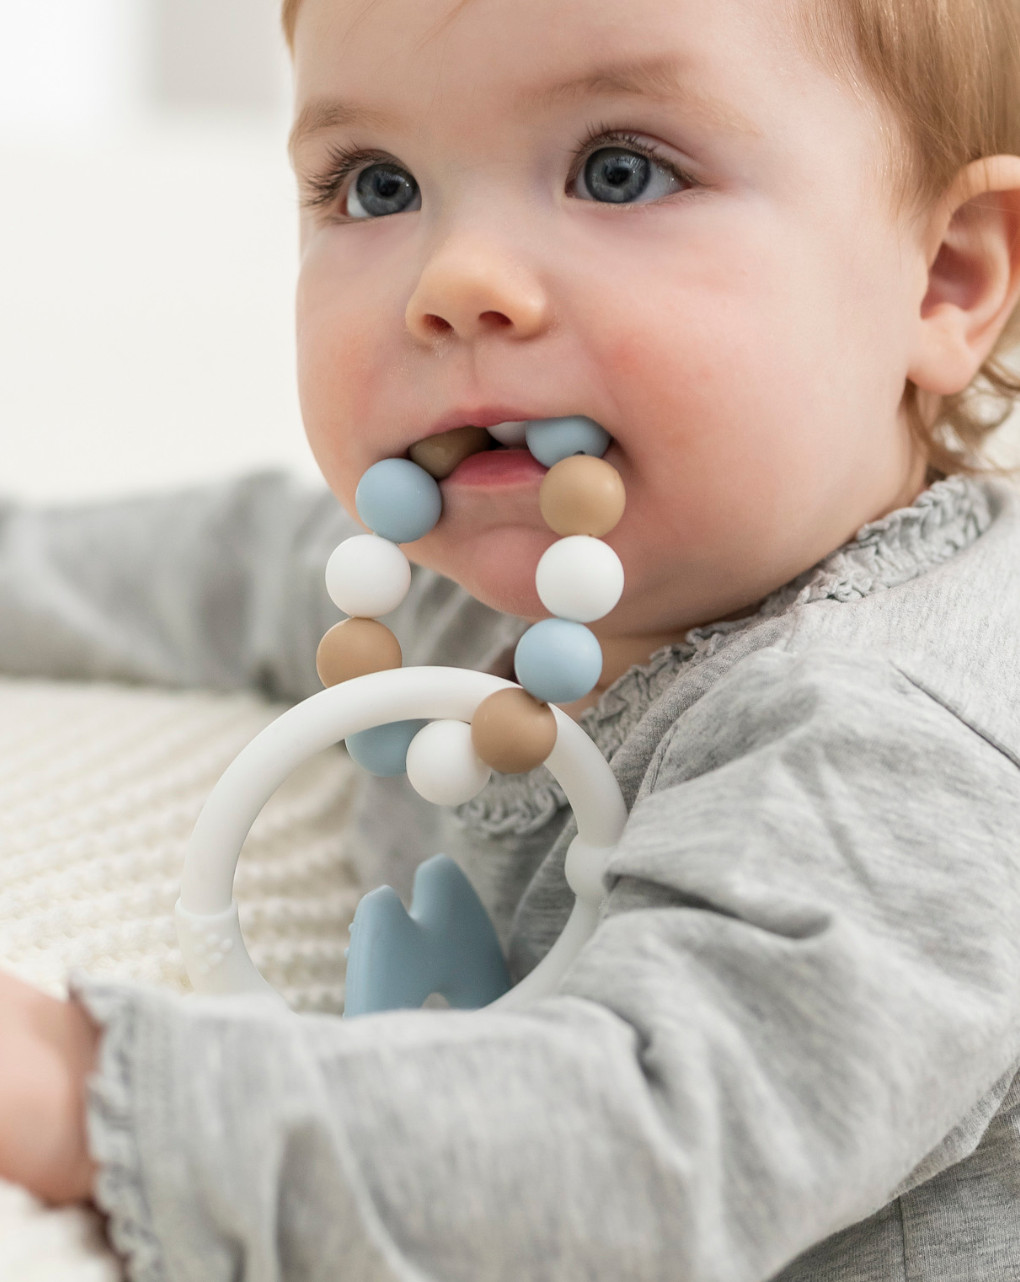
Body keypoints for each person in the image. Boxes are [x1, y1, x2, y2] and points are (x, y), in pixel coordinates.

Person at [1, 0, 1020, 1277]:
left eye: (620, 171)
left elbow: (640, 1154)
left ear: (947, 277)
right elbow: (206, 567)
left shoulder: (900, 741)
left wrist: (76, 1094)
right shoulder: (460, 596)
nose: (455, 282)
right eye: (375, 186)